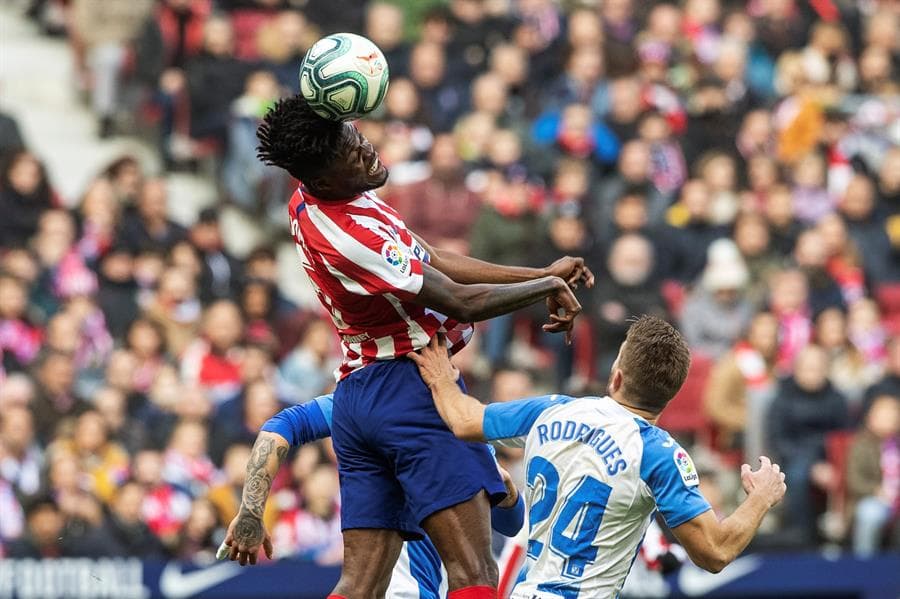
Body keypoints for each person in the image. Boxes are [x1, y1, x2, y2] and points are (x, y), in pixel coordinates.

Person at [242, 95, 592, 599]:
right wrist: (545, 290)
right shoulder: (354, 235)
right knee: (475, 576)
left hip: (356, 399)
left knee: (359, 584)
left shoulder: (311, 201)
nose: (365, 149)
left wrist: (539, 272)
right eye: (350, 151)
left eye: (356, 136)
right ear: (322, 178)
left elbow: (433, 258)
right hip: (412, 389)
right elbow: (460, 301)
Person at [408, 316, 786, 598]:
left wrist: (441, 375)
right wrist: (760, 499)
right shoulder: (658, 454)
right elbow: (714, 552)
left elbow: (462, 419)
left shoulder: (552, 410)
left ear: (617, 377)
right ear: (669, 396)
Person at [222, 393, 525, 599]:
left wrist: (507, 493)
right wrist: (251, 508)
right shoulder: (362, 399)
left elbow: (510, 522)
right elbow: (284, 424)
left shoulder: (456, 417)